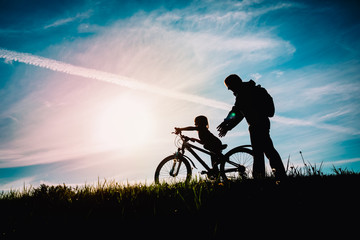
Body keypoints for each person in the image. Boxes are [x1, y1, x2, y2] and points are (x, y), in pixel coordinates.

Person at [217, 74, 286, 179]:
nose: (230, 90)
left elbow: (236, 112)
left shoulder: (243, 93)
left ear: (234, 83)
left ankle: (261, 178)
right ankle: (278, 175)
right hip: (262, 122)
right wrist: (228, 126)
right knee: (267, 150)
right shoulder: (250, 89)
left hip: (256, 125)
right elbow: (240, 114)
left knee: (260, 152)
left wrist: (226, 123)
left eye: (230, 87)